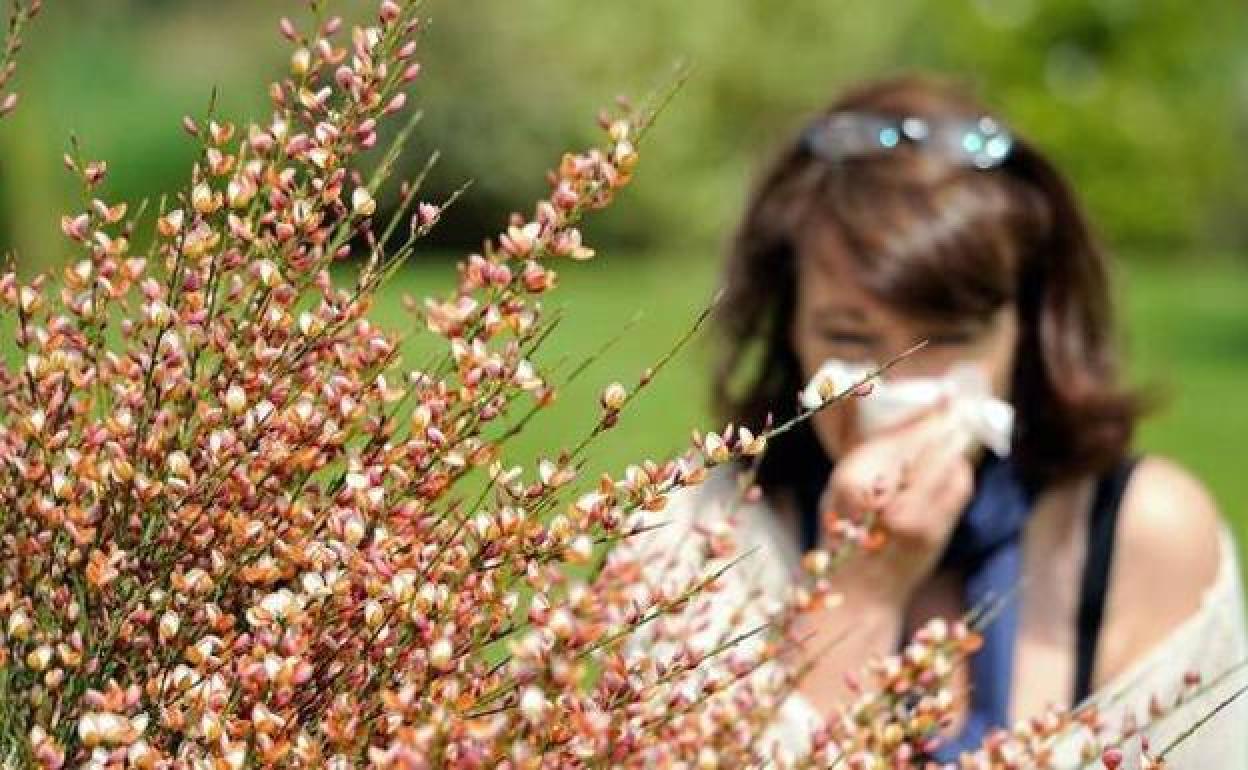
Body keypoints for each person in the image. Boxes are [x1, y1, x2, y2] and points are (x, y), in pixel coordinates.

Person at [664, 75, 1247, 764]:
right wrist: (858, 590)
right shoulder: (706, 536)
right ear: (788, 330)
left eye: (948, 338)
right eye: (850, 339)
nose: (899, 384)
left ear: (1025, 331)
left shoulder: (1141, 537)